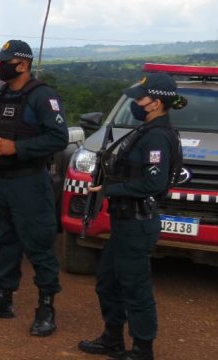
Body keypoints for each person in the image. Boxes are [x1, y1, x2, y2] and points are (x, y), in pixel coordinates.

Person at [79, 72, 184, 360]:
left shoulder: (157, 138)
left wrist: (112, 188)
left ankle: (142, 349)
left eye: (140, 98)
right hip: (125, 222)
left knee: (134, 287)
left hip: (137, 223)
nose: (136, 102)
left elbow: (154, 183)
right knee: (108, 281)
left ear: (155, 103)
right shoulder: (145, 131)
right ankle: (112, 339)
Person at [0, 40, 68, 336]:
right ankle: (2, 300)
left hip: (29, 182)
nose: (1, 65)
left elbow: (58, 138)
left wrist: (18, 148)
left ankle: (46, 309)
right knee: (7, 242)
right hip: (2, 181)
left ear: (23, 64)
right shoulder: (1, 95)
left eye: (6, 60)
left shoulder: (42, 96)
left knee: (39, 246)